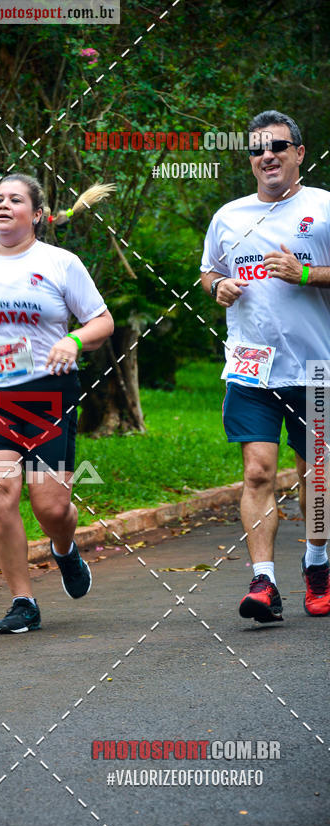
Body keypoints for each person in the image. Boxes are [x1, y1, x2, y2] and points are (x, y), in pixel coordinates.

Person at [0, 173, 115, 633]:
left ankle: (64, 548)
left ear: (36, 214)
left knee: (50, 507)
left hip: (46, 393)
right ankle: (23, 601)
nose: (3, 206)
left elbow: (102, 322)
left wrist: (74, 339)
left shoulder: (60, 263)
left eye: (15, 200)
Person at [200, 110, 330, 622]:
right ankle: (264, 583)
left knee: (316, 476)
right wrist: (219, 288)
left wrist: (307, 273)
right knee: (257, 473)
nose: (267, 155)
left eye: (278, 146)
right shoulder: (228, 216)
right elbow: (210, 272)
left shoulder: (323, 207)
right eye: (257, 149)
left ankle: (317, 563)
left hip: (317, 369)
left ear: (299, 153)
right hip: (251, 368)